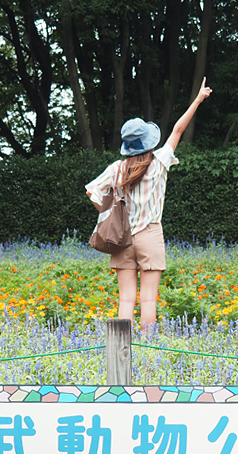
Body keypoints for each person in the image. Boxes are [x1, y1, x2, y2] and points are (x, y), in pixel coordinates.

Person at [86, 77, 212, 331]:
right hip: (150, 235)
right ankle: (148, 348)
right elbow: (177, 131)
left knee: (125, 299)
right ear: (148, 141)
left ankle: (123, 349)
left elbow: (91, 192)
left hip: (122, 237)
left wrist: (110, 214)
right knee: (148, 299)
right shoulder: (160, 162)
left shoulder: (117, 169)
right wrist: (198, 99)